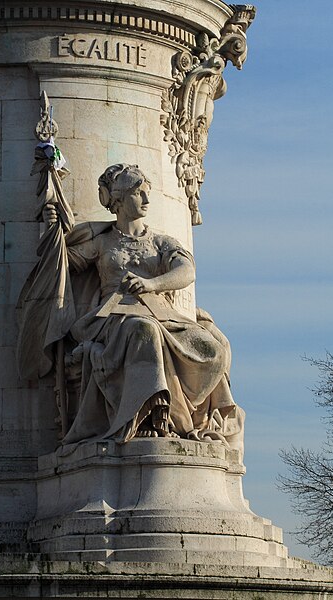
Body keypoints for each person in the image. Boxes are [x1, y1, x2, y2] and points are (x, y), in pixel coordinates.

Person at [39, 163, 242, 446]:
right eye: (139, 194)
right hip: (116, 315)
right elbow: (63, 263)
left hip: (162, 313)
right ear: (118, 200)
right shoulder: (102, 243)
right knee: (143, 330)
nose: (147, 200)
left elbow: (187, 272)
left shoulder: (160, 242)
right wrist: (51, 229)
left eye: (147, 193)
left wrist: (152, 284)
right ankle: (147, 415)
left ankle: (187, 418)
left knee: (212, 349)